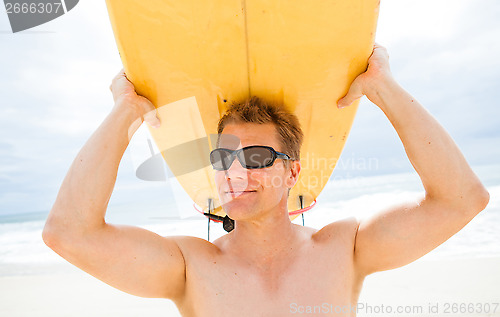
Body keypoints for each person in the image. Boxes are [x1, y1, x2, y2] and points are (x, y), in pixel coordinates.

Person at [42, 44, 489, 316]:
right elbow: (68, 233)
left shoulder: (345, 250)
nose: (235, 172)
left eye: (256, 157)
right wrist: (126, 111)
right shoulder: (188, 267)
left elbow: (462, 199)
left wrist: (382, 87)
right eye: (223, 157)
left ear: (292, 170)